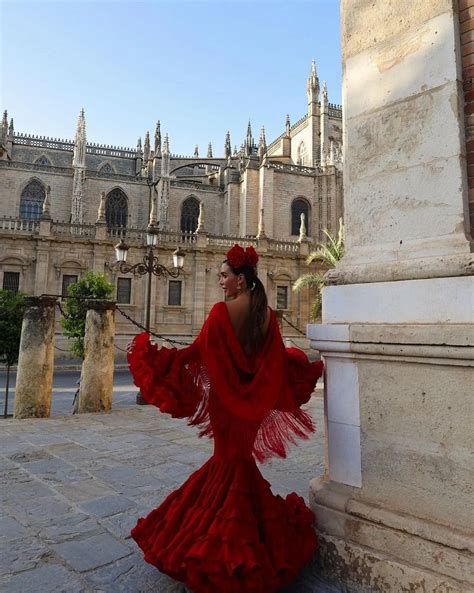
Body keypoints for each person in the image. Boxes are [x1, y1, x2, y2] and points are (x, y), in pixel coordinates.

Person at [127, 243, 324, 593]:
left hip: (226, 406)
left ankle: (221, 549)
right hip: (253, 406)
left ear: (241, 279)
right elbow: (276, 359)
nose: (220, 281)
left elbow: (196, 353)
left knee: (227, 463)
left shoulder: (221, 313)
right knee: (237, 464)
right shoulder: (266, 315)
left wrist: (153, 357)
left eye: (224, 275)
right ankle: (251, 538)